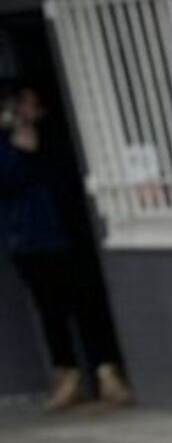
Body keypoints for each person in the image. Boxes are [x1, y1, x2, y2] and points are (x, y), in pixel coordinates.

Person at [1, 83, 130, 410]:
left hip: (68, 235)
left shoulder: (57, 136)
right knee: (51, 311)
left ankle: (107, 373)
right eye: (26, 104)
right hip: (30, 241)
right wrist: (19, 146)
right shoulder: (4, 147)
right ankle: (68, 375)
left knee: (88, 305)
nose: (32, 110)